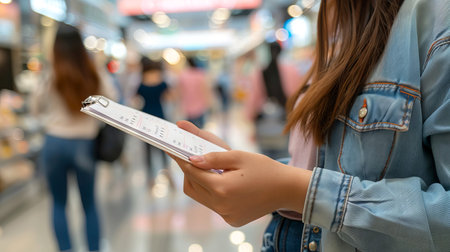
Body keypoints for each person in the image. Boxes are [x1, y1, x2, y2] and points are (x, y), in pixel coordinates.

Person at [169, 0, 450, 251]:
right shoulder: (338, 24)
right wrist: (255, 176)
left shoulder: (434, 23)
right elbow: (325, 158)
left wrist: (293, 189)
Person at [31, 23, 116, 252]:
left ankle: (66, 249)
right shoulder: (92, 72)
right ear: (80, 45)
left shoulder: (51, 74)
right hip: (84, 143)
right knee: (89, 204)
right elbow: (112, 100)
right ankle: (94, 249)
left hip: (54, 142)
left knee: (59, 203)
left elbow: (35, 109)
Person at [135, 56, 171, 183]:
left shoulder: (141, 81)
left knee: (148, 149)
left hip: (145, 117)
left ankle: (150, 178)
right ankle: (168, 173)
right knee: (164, 148)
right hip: (160, 115)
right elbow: (168, 97)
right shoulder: (161, 80)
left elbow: (136, 99)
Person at [176, 57, 212, 129]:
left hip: (187, 107)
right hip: (200, 106)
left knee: (190, 129)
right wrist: (209, 102)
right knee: (200, 130)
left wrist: (179, 105)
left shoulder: (183, 75)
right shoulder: (200, 74)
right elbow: (205, 90)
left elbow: (179, 92)